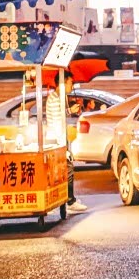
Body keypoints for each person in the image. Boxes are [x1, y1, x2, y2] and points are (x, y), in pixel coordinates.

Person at [46, 71, 88, 214]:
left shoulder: (59, 97)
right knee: (68, 169)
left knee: (64, 170)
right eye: (71, 82)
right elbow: (57, 121)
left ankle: (67, 199)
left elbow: (60, 116)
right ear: (63, 83)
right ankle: (69, 201)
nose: (73, 85)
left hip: (60, 138)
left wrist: (69, 111)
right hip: (57, 139)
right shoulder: (54, 98)